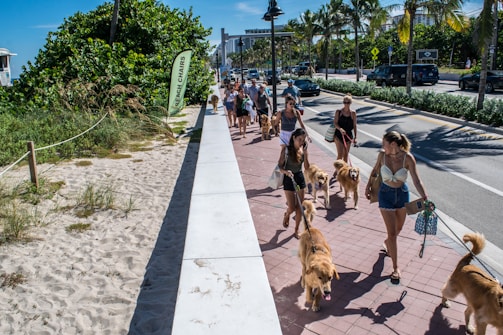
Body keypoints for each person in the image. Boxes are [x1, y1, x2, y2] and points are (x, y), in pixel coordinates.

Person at [365, 130, 428, 282]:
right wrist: (368, 186)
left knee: (398, 229)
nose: (382, 146)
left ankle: (387, 243)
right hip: (385, 194)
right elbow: (375, 171)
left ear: (393, 144)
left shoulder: (408, 158)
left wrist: (425, 198)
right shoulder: (382, 156)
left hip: (402, 195)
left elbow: (417, 181)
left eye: (384, 143)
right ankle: (395, 268)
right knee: (392, 234)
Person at [278, 128, 310, 239]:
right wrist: (286, 172)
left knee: (300, 207)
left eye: (303, 140)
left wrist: (305, 153)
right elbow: (280, 167)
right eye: (299, 139)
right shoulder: (286, 150)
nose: (301, 142)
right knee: (291, 208)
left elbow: (307, 167)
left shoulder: (303, 151)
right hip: (288, 178)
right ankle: (286, 215)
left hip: (299, 177)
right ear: (294, 138)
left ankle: (296, 230)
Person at [333, 94, 358, 162]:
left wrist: (355, 137)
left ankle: (344, 172)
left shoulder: (353, 113)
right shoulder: (339, 112)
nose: (346, 104)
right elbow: (335, 123)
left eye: (348, 102)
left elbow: (355, 125)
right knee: (340, 155)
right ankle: (337, 171)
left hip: (348, 135)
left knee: (346, 156)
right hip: (339, 135)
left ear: (351, 103)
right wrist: (340, 129)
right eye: (345, 102)